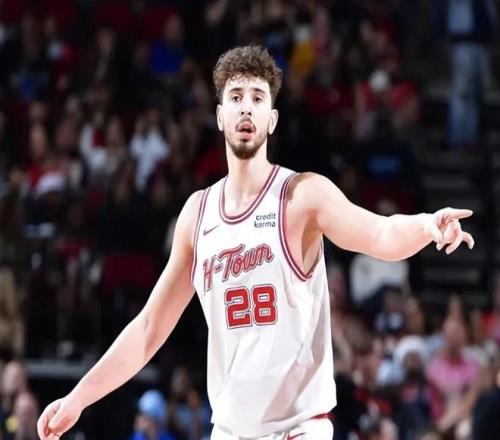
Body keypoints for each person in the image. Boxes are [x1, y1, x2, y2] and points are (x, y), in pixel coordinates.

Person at [37, 45, 475, 440]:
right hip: (230, 430)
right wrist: (78, 398)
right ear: (220, 116)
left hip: (297, 429)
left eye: (257, 98)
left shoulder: (301, 196)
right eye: (236, 97)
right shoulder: (197, 214)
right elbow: (150, 328)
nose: (246, 107)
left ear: (272, 119)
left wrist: (427, 226)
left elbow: (379, 233)